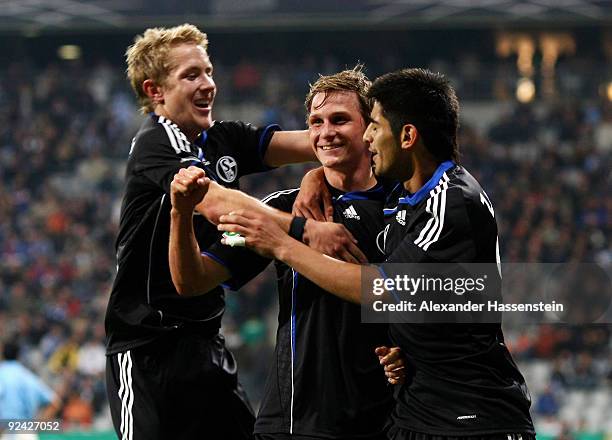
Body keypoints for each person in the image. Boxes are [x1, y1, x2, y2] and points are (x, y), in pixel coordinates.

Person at [214, 69, 536, 438]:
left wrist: (284, 243)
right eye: (316, 122)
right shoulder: (402, 204)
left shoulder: (451, 202)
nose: (368, 138)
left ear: (407, 136)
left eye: (374, 127)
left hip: (473, 417)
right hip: (411, 416)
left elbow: (383, 290)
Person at [105, 23, 359, 440]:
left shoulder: (221, 137)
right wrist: (303, 229)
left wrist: (321, 169)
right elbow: (216, 203)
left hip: (206, 342)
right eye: (191, 75)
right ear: (155, 92)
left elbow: (317, 141)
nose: (207, 84)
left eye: (208, 72)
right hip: (148, 350)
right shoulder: (157, 141)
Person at [170, 67, 404, 440]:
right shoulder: (280, 211)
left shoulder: (404, 208)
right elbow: (193, 280)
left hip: (384, 420)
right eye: (316, 122)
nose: (326, 132)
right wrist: (180, 214)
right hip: (292, 421)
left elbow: (424, 297)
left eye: (340, 120)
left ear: (369, 129)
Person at [0, 341, 61, 432]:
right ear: (18, 355)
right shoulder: (28, 376)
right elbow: (55, 402)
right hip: (27, 432)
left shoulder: (2, 373)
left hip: (6, 431)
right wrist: (39, 426)